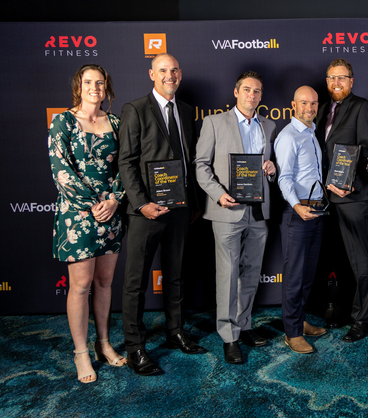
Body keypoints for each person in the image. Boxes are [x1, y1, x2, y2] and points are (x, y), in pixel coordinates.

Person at [118, 53, 206, 376]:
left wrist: (193, 202)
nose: (170, 75)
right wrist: (141, 203)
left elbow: (188, 160)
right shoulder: (135, 109)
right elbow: (126, 161)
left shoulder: (186, 111)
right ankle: (135, 348)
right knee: (136, 282)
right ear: (151, 74)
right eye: (163, 70)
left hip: (180, 208)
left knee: (176, 275)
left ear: (180, 74)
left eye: (174, 70)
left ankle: (175, 331)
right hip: (146, 212)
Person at [48, 64, 127, 383]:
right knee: (80, 285)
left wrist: (115, 199)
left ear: (107, 88)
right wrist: (93, 205)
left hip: (111, 213)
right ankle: (81, 352)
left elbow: (126, 166)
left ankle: (103, 343)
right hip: (78, 215)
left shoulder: (117, 123)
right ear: (78, 87)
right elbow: (60, 169)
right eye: (88, 82)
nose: (95, 87)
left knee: (105, 282)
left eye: (100, 82)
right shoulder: (63, 121)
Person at [195, 71, 277, 364]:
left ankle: (244, 325)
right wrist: (218, 194)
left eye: (257, 91)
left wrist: (272, 170)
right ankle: (229, 336)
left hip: (259, 210)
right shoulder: (214, 122)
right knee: (228, 273)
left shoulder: (269, 125)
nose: (252, 95)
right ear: (236, 92)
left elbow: (270, 167)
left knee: (252, 271)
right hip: (227, 209)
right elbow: (201, 165)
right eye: (247, 90)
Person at [315, 59, 368, 342]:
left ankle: (362, 319)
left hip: (351, 195)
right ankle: (342, 310)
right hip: (327, 197)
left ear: (351, 81)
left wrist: (347, 180)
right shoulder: (322, 109)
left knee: (360, 261)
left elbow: (365, 147)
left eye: (341, 77)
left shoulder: (361, 106)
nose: (336, 82)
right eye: (331, 78)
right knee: (339, 260)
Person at [274, 86, 329, 354]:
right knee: (294, 276)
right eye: (304, 103)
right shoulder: (288, 136)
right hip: (297, 213)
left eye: (314, 103)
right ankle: (292, 333)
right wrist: (297, 206)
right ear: (293, 105)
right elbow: (284, 178)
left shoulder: (311, 133)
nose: (309, 108)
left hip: (316, 210)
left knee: (307, 274)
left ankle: (300, 320)